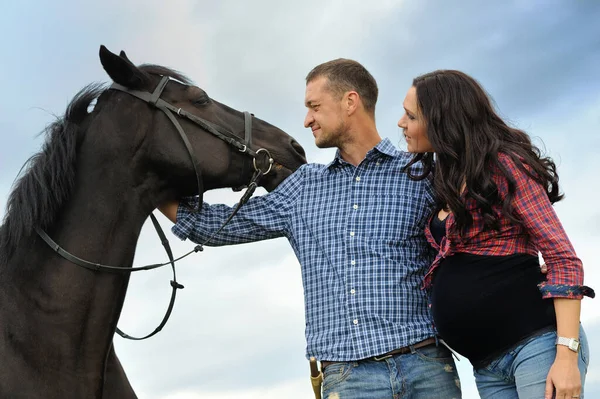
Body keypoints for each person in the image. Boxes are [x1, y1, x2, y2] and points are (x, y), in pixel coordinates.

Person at [159, 59, 462, 398]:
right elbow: (215, 225)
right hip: (348, 379)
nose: (307, 120)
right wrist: (145, 185)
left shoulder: (422, 173)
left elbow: (483, 227)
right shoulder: (303, 188)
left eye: (314, 107)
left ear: (350, 102)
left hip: (425, 365)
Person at [397, 69, 594, 399]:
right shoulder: (445, 178)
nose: (401, 123)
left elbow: (564, 260)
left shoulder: (505, 166)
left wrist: (566, 356)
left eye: (411, 115)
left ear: (443, 120)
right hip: (487, 366)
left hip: (537, 346)